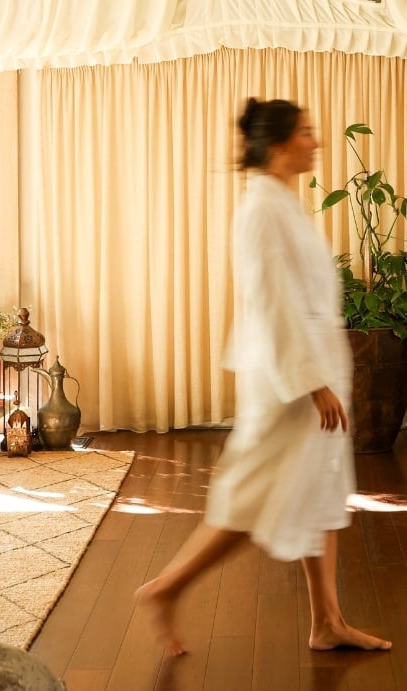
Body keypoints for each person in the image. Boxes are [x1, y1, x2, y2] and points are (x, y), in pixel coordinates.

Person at [135, 98, 391, 656]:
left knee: (323, 492)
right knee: (251, 500)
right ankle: (164, 590)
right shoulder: (260, 209)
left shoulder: (284, 204)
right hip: (288, 384)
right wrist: (311, 381)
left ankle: (328, 622)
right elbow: (272, 303)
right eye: (305, 132)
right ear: (278, 145)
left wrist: (323, 374)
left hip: (312, 372)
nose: (314, 140)